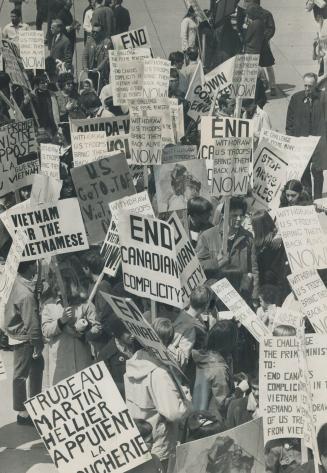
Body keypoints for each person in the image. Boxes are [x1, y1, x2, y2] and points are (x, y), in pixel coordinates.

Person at [124, 321, 191, 472]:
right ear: (167, 342)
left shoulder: (135, 362)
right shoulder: (159, 373)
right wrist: (186, 399)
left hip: (139, 438)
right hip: (159, 443)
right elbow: (173, 413)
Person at [41, 264, 99, 385]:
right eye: (57, 287)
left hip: (82, 361)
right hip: (61, 364)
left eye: (63, 287)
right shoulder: (49, 306)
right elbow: (46, 331)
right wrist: (60, 322)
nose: (59, 291)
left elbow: (97, 328)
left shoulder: (85, 304)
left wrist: (85, 328)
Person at [196, 197, 258, 303]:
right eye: (234, 215)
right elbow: (197, 267)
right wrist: (216, 262)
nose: (239, 219)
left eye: (242, 216)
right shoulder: (207, 236)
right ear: (224, 215)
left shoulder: (248, 237)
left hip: (239, 294)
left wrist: (254, 295)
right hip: (214, 296)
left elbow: (254, 269)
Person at [4, 261, 44, 426]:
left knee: (35, 369)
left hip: (19, 333)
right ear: (28, 268)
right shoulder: (25, 295)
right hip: (26, 337)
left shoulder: (17, 282)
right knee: (23, 374)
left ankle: (32, 406)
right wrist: (37, 343)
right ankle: (22, 413)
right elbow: (32, 323)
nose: (36, 267)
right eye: (34, 265)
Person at [286, 72, 327, 200]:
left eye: (310, 86)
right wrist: (291, 138)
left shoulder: (324, 98)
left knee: (317, 171)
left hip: (318, 143)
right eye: (305, 86)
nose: (307, 89)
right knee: (303, 171)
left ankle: (318, 199)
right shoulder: (296, 98)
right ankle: (308, 198)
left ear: (316, 86)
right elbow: (290, 120)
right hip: (301, 143)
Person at [192, 320, 237, 421]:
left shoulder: (202, 356)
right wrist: (240, 390)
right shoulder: (219, 368)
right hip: (213, 421)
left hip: (196, 416)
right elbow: (224, 405)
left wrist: (231, 376)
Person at [251, 209, 288, 305]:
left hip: (266, 285)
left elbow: (256, 270)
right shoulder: (280, 239)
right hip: (281, 283)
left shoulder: (257, 245)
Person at [245, 0, 277, 95]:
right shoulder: (249, 13)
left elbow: (271, 28)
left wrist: (263, 38)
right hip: (254, 43)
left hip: (264, 43)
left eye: (249, 2)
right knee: (256, 65)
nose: (247, 4)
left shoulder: (267, 14)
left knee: (268, 64)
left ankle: (273, 86)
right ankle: (262, 84)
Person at [99, 318, 136, 398]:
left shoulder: (138, 344)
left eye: (132, 330)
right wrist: (129, 388)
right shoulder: (105, 354)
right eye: (128, 332)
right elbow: (105, 384)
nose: (133, 335)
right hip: (124, 398)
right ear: (118, 333)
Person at [22, 73, 60, 138]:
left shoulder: (52, 94)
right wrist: (25, 102)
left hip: (50, 126)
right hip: (38, 127)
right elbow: (22, 112)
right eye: (42, 83)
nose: (46, 84)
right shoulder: (31, 96)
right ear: (37, 84)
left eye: (46, 82)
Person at [82, 23, 111, 91]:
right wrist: (85, 66)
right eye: (93, 32)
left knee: (101, 89)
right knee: (91, 88)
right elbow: (85, 55)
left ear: (101, 32)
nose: (94, 34)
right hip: (91, 70)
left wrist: (98, 68)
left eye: (96, 32)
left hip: (102, 71)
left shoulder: (106, 42)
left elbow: (106, 57)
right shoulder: (89, 41)